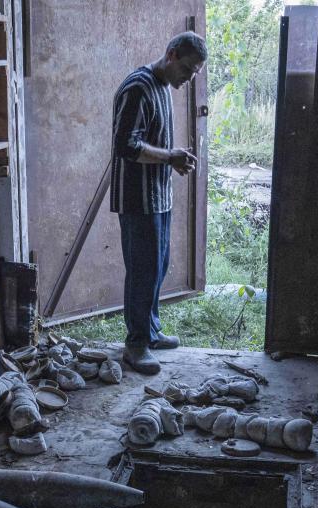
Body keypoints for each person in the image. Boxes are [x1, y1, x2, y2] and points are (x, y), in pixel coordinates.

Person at [111, 31, 206, 375]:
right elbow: (126, 145)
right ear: (170, 55)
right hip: (137, 201)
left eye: (195, 72)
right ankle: (135, 345)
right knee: (142, 271)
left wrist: (173, 161)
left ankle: (150, 332)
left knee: (158, 266)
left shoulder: (164, 87)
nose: (189, 78)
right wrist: (170, 157)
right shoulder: (137, 87)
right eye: (187, 69)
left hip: (158, 197)